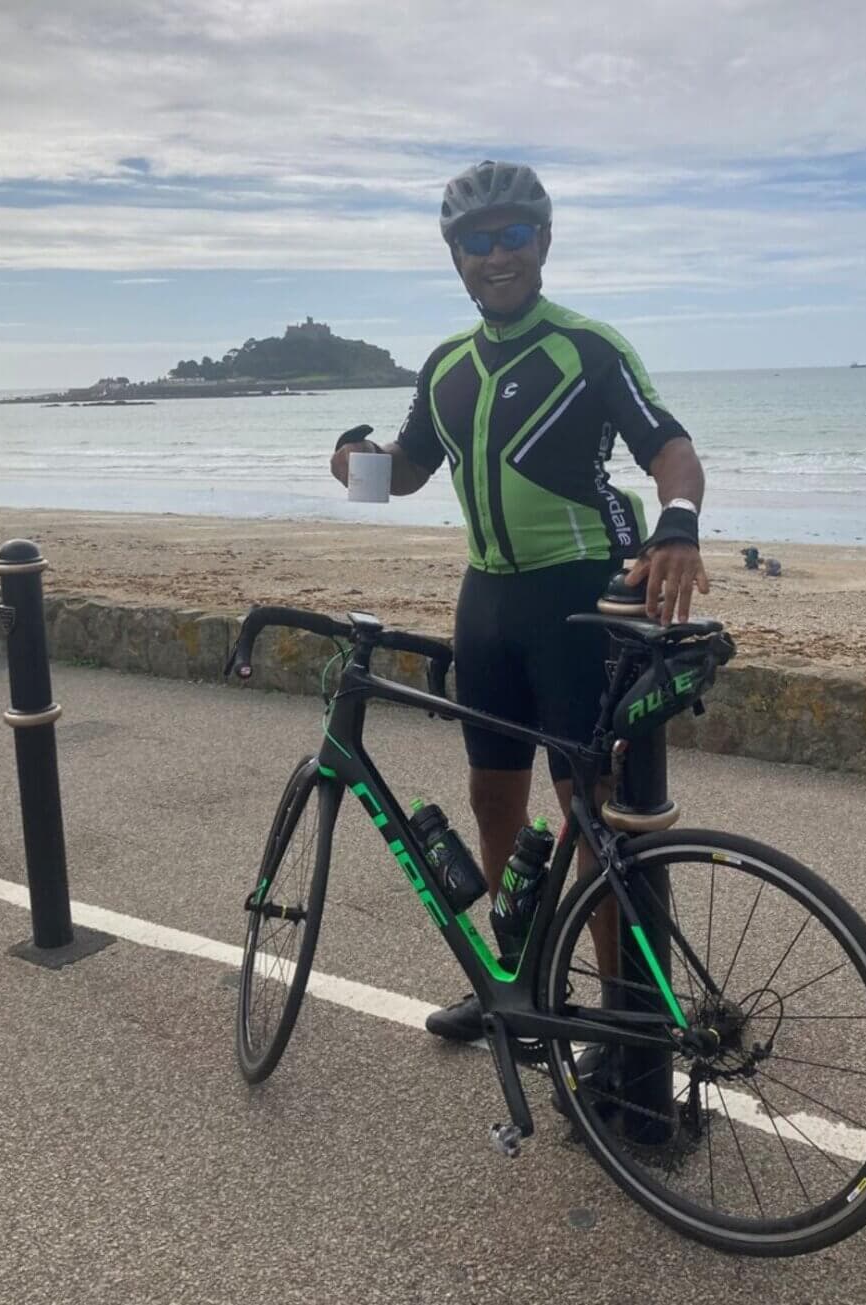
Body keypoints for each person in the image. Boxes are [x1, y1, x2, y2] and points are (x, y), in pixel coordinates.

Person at [331, 159, 708, 1041]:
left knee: (594, 814)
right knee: (492, 800)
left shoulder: (587, 346)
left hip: (580, 599)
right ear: (454, 255)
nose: (494, 255)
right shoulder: (446, 366)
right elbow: (411, 471)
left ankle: (628, 1021)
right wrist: (351, 459)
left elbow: (671, 447)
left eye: (511, 236)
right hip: (488, 606)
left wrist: (679, 525)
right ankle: (519, 982)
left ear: (542, 242)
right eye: (475, 240)